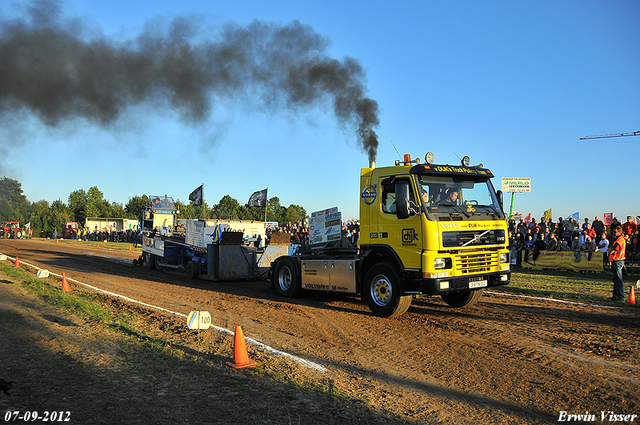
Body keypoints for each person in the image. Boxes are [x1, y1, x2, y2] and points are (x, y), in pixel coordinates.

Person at [609, 225, 626, 302]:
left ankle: (621, 297)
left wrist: (611, 251)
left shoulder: (620, 240)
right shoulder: (619, 239)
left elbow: (616, 248)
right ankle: (615, 296)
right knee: (616, 280)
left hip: (618, 261)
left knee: (618, 279)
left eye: (615, 232)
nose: (614, 233)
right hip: (617, 261)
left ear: (620, 232)